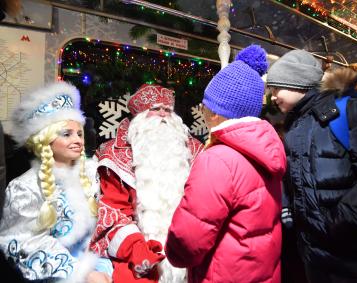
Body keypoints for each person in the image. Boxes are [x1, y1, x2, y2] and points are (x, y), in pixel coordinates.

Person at [266, 49, 357, 283]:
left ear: (296, 82)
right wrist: (291, 212)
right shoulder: (296, 123)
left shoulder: (350, 110)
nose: (272, 97)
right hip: (315, 253)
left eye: (275, 88)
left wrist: (339, 222)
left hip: (354, 253)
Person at [165, 45, 287, 282]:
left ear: (216, 113)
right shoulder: (268, 150)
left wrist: (172, 253)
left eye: (204, 105)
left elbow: (187, 241)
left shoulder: (218, 159)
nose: (201, 111)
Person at [89, 83, 204, 283]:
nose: (163, 115)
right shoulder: (115, 156)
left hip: (192, 250)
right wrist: (138, 249)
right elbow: (114, 213)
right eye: (155, 109)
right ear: (139, 117)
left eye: (167, 109)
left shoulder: (195, 151)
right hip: (139, 252)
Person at [0, 81, 112, 282]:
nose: (77, 140)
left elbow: (101, 228)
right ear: (45, 140)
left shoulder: (91, 174)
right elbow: (23, 242)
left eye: (79, 133)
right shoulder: (25, 188)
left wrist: (103, 266)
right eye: (66, 134)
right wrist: (81, 273)